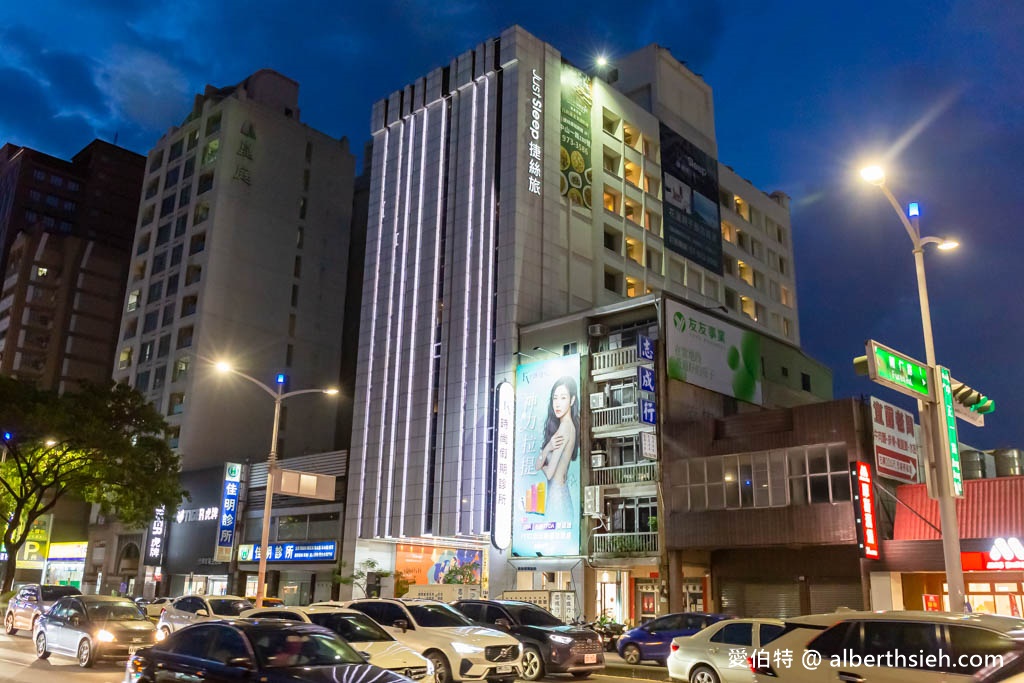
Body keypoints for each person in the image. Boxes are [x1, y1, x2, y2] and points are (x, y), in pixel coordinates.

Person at [535, 376, 580, 520]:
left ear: (572, 400)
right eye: (555, 398)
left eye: (563, 398)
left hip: (557, 500)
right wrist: (548, 448)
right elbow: (538, 465)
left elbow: (548, 473)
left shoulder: (564, 429)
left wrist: (546, 450)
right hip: (559, 496)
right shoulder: (569, 426)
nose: (557, 404)